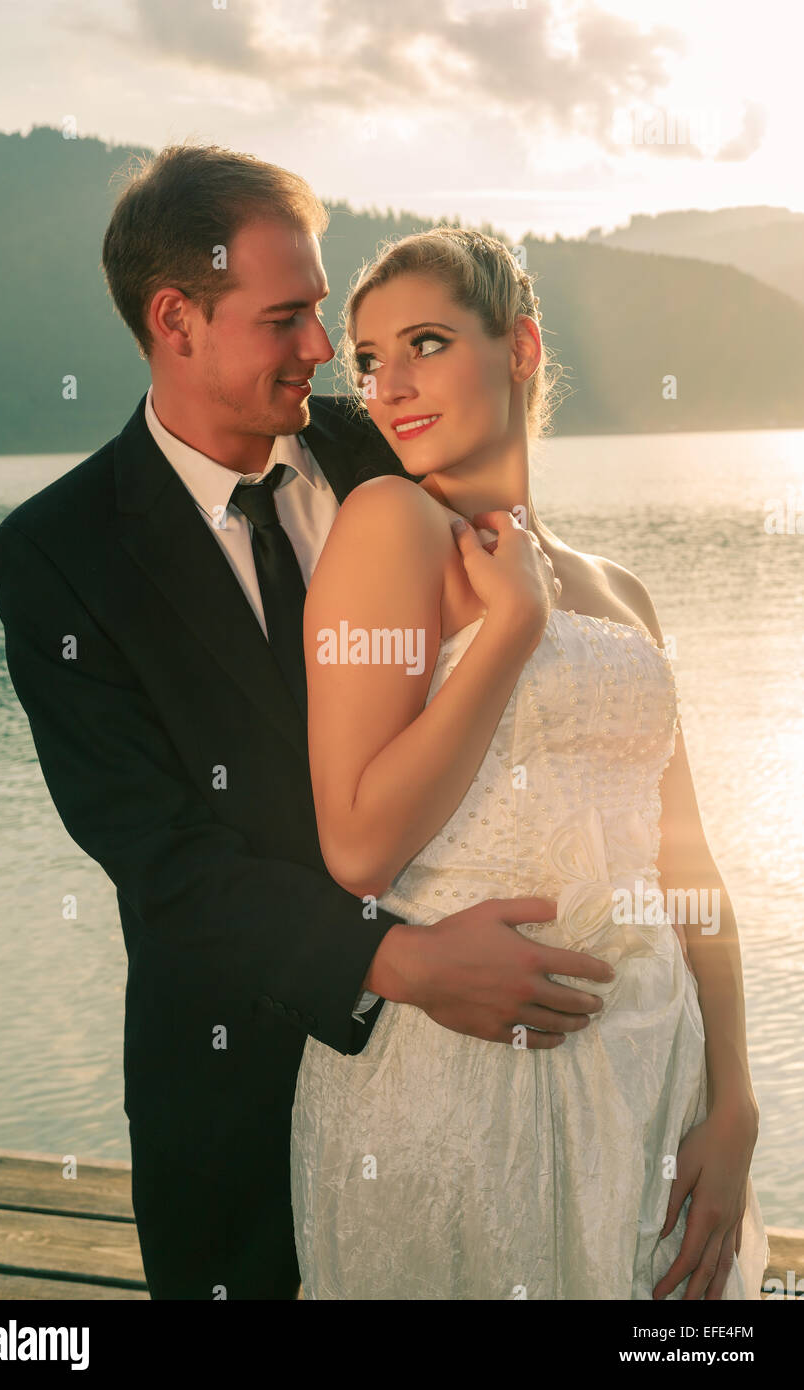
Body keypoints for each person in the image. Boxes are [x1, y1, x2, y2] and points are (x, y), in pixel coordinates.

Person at [0, 146, 614, 1300]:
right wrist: (402, 963)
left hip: (497, 1091)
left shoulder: (386, 438)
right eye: (288, 320)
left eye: (324, 314)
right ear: (176, 319)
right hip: (241, 1098)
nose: (328, 354)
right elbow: (162, 859)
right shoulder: (58, 557)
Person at [290, 226, 769, 1299]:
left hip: (655, 1082)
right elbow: (358, 845)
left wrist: (732, 1099)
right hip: (466, 1091)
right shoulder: (388, 526)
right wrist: (506, 632)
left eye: (423, 342)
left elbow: (688, 865)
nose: (389, 385)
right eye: (367, 361)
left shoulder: (619, 590)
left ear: (519, 348)